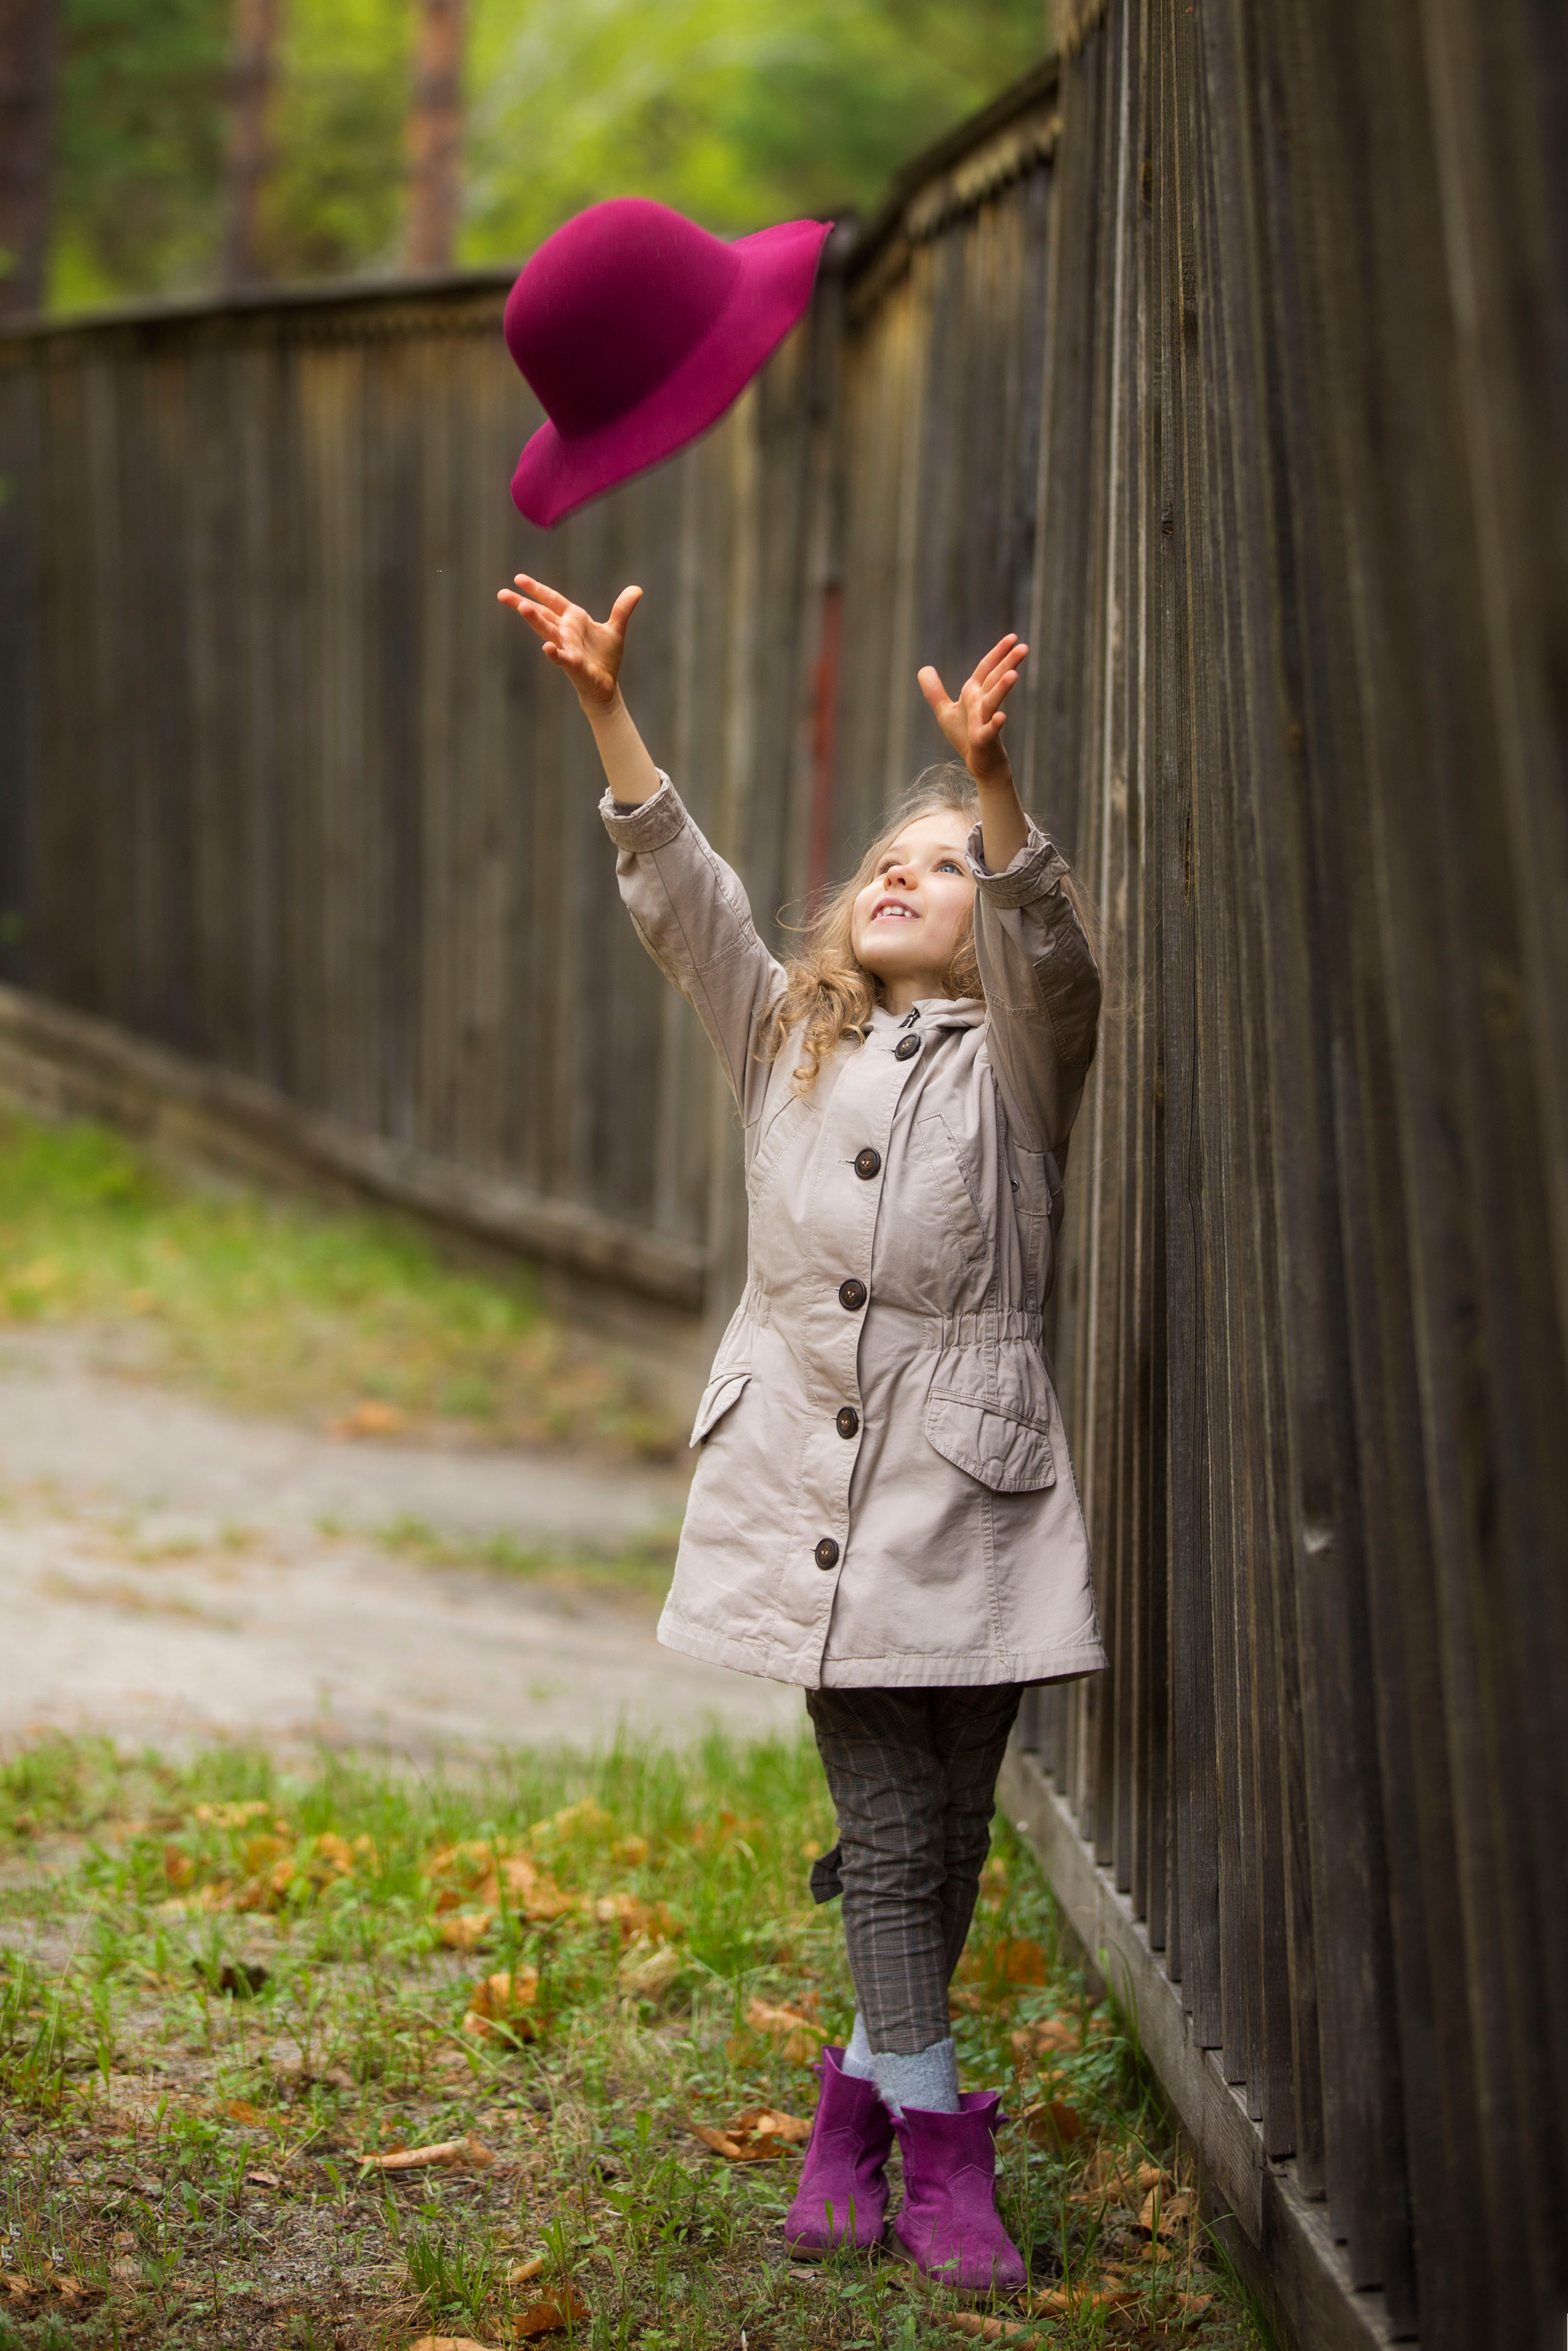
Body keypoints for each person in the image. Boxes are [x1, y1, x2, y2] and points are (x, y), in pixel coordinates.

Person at [498, 568, 1106, 2298]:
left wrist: (989, 792)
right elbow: (684, 899)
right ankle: (938, 2151)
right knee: (894, 1827)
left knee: (958, 1817)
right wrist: (611, 712)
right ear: (846, 924)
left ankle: (849, 2111)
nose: (905, 880)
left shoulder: (1019, 1058)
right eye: (884, 869)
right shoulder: (785, 1032)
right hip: (812, 1483)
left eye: (940, 870)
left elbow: (1053, 947)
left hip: (975, 1479)